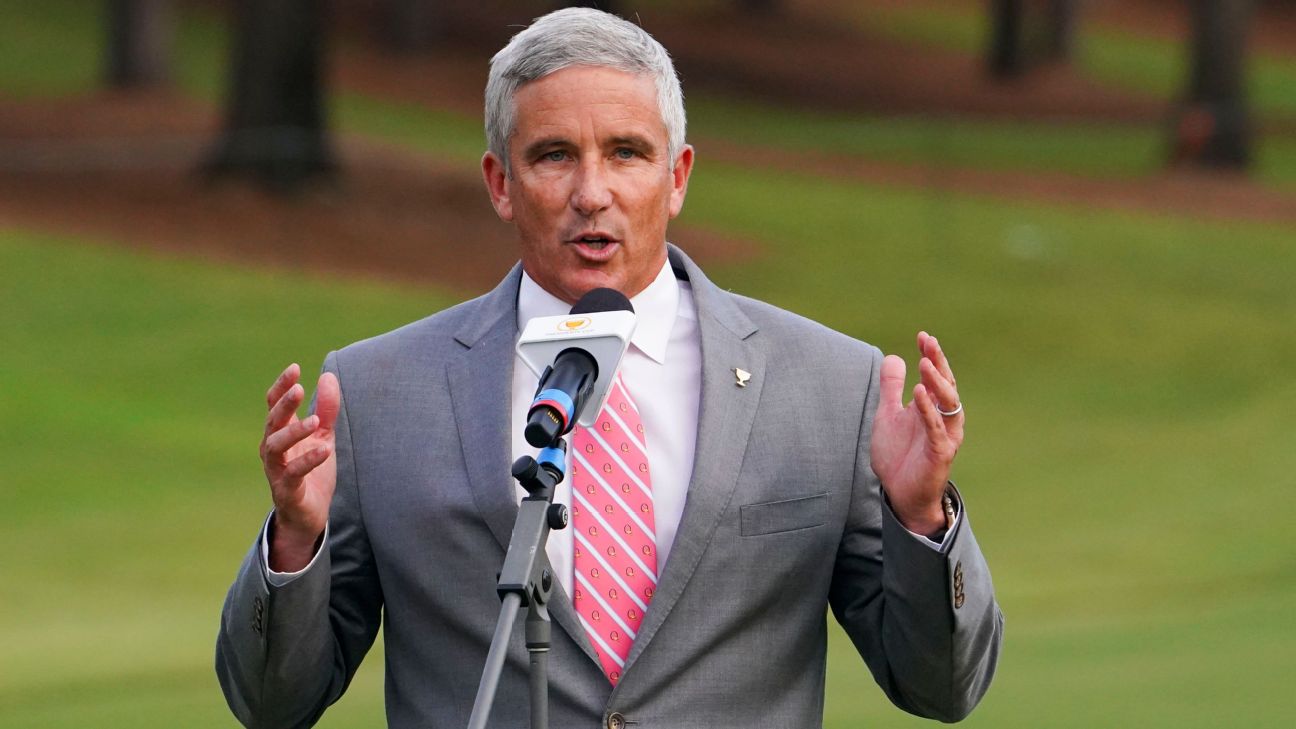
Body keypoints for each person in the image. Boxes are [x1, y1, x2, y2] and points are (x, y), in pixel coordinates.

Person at [216, 8, 1003, 728]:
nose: (592, 193)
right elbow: (272, 702)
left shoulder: (827, 385)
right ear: (501, 183)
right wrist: (296, 541)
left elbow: (942, 686)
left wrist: (921, 521)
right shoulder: (380, 395)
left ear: (677, 176)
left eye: (626, 152)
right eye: (554, 155)